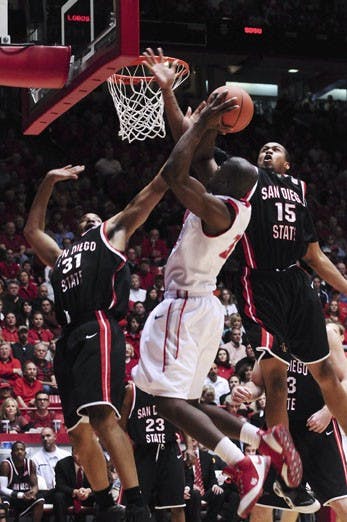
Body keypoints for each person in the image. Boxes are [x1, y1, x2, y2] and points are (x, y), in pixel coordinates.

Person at [146, 47, 347, 440]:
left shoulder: (299, 189)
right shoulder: (245, 177)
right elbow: (196, 155)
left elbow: (313, 255)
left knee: (324, 372)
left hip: (296, 282)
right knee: (275, 377)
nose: (267, 150)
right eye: (263, 148)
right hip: (262, 282)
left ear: (288, 164)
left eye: (276, 149)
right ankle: (277, 465)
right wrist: (186, 109)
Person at [133, 60, 302, 520]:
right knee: (191, 404)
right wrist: (172, 94)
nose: (212, 168)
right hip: (201, 309)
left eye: (217, 169)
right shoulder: (226, 198)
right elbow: (191, 145)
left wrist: (205, 122)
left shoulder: (219, 210)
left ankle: (242, 465)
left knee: (165, 401)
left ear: (227, 181)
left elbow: (174, 171)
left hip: (185, 309)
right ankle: (259, 439)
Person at [24, 161, 168, 522]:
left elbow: (153, 190)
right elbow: (32, 230)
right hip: (68, 337)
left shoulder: (111, 234)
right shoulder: (61, 257)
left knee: (103, 416)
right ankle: (106, 504)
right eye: (83, 221)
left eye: (94, 218)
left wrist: (188, 141)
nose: (88, 222)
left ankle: (136, 503)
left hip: (98, 325)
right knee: (77, 433)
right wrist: (47, 181)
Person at [232, 322, 347, 521]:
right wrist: (246, 391)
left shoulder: (325, 333)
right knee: (261, 506)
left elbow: (345, 379)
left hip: (316, 427)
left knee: (342, 503)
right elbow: (258, 383)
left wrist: (328, 411)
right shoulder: (270, 335)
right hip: (277, 430)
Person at [120, 381, 186, 522]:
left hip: (169, 449)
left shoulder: (172, 387)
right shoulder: (132, 390)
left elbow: (185, 419)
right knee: (135, 506)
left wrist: (191, 448)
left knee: (177, 506)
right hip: (142, 451)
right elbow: (120, 427)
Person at [0, 441, 44, 522]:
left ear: (25, 452)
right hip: (11, 497)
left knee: (40, 499)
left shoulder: (31, 464)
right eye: (16, 450)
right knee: (4, 502)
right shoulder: (6, 465)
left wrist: (32, 493)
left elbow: (35, 486)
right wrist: (20, 495)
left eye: (21, 449)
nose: (19, 452)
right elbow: (2, 489)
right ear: (12, 453)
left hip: (26, 497)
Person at [53, 447, 99, 522]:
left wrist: (89, 491)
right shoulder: (62, 464)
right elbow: (60, 485)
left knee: (101, 496)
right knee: (58, 496)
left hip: (89, 496)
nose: (80, 456)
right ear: (72, 454)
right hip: (70, 495)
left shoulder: (95, 463)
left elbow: (102, 484)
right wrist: (75, 492)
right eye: (77, 453)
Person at [32, 427, 70, 491]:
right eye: (43, 437)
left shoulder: (66, 455)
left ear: (55, 437)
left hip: (64, 493)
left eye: (48, 436)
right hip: (45, 493)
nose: (45, 439)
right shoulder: (35, 459)